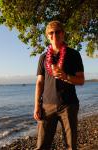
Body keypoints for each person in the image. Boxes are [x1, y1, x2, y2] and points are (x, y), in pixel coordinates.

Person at [34, 20, 85, 150]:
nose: (54, 35)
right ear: (47, 36)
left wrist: (66, 76)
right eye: (51, 32)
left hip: (69, 105)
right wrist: (36, 106)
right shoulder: (43, 57)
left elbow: (81, 80)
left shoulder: (74, 54)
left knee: (71, 145)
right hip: (47, 106)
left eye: (58, 31)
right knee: (42, 146)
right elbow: (40, 82)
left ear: (63, 34)